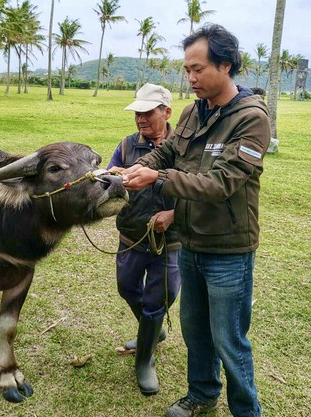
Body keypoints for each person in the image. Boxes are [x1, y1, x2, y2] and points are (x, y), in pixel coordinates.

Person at [119, 24, 270, 417]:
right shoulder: (192, 111)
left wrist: (158, 177)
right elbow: (166, 152)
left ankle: (245, 411)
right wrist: (136, 168)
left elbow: (221, 184)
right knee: (196, 333)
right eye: (187, 69)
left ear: (226, 65)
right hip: (191, 244)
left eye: (198, 69)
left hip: (228, 251)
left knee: (229, 341)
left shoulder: (252, 119)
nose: (191, 78)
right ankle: (202, 394)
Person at [107, 83, 182, 396]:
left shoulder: (185, 146)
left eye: (147, 112)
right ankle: (151, 331)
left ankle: (145, 358)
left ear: (166, 112)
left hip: (170, 240)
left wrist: (173, 215)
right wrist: (114, 174)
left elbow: (200, 189)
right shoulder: (127, 145)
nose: (140, 119)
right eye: (137, 112)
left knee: (160, 298)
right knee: (126, 285)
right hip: (133, 235)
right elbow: (111, 171)